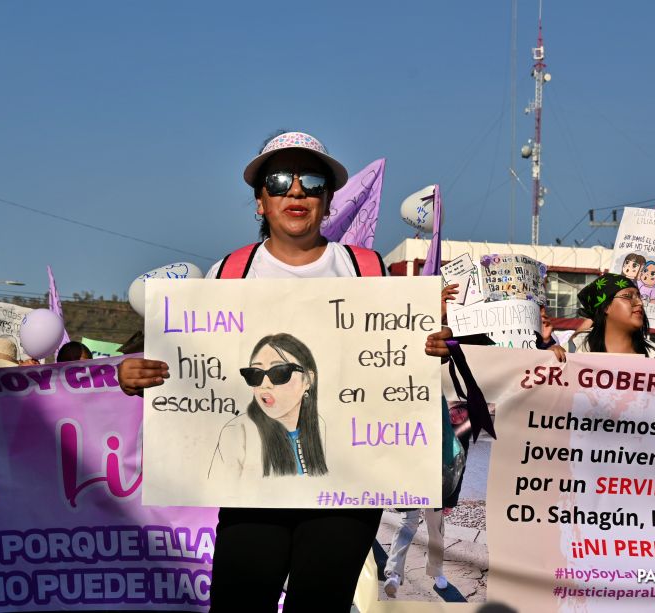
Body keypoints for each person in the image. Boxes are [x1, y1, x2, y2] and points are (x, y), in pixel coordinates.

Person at [117, 130, 451, 612]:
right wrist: (135, 376)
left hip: (345, 488)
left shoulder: (367, 269)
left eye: (312, 180)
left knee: (319, 606)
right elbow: (188, 369)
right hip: (252, 486)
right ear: (260, 202)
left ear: (328, 200)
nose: (296, 191)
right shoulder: (228, 273)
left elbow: (396, 359)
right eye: (279, 180)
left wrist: (427, 347)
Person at [211, 333, 327, 479]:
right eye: (255, 374)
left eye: (280, 372)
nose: (264, 384)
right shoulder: (238, 432)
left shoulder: (320, 428)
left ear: (308, 380)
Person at [568, 273, 655, 360]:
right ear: (606, 307)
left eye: (639, 296)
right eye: (627, 296)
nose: (639, 303)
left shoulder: (653, 354)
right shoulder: (578, 348)